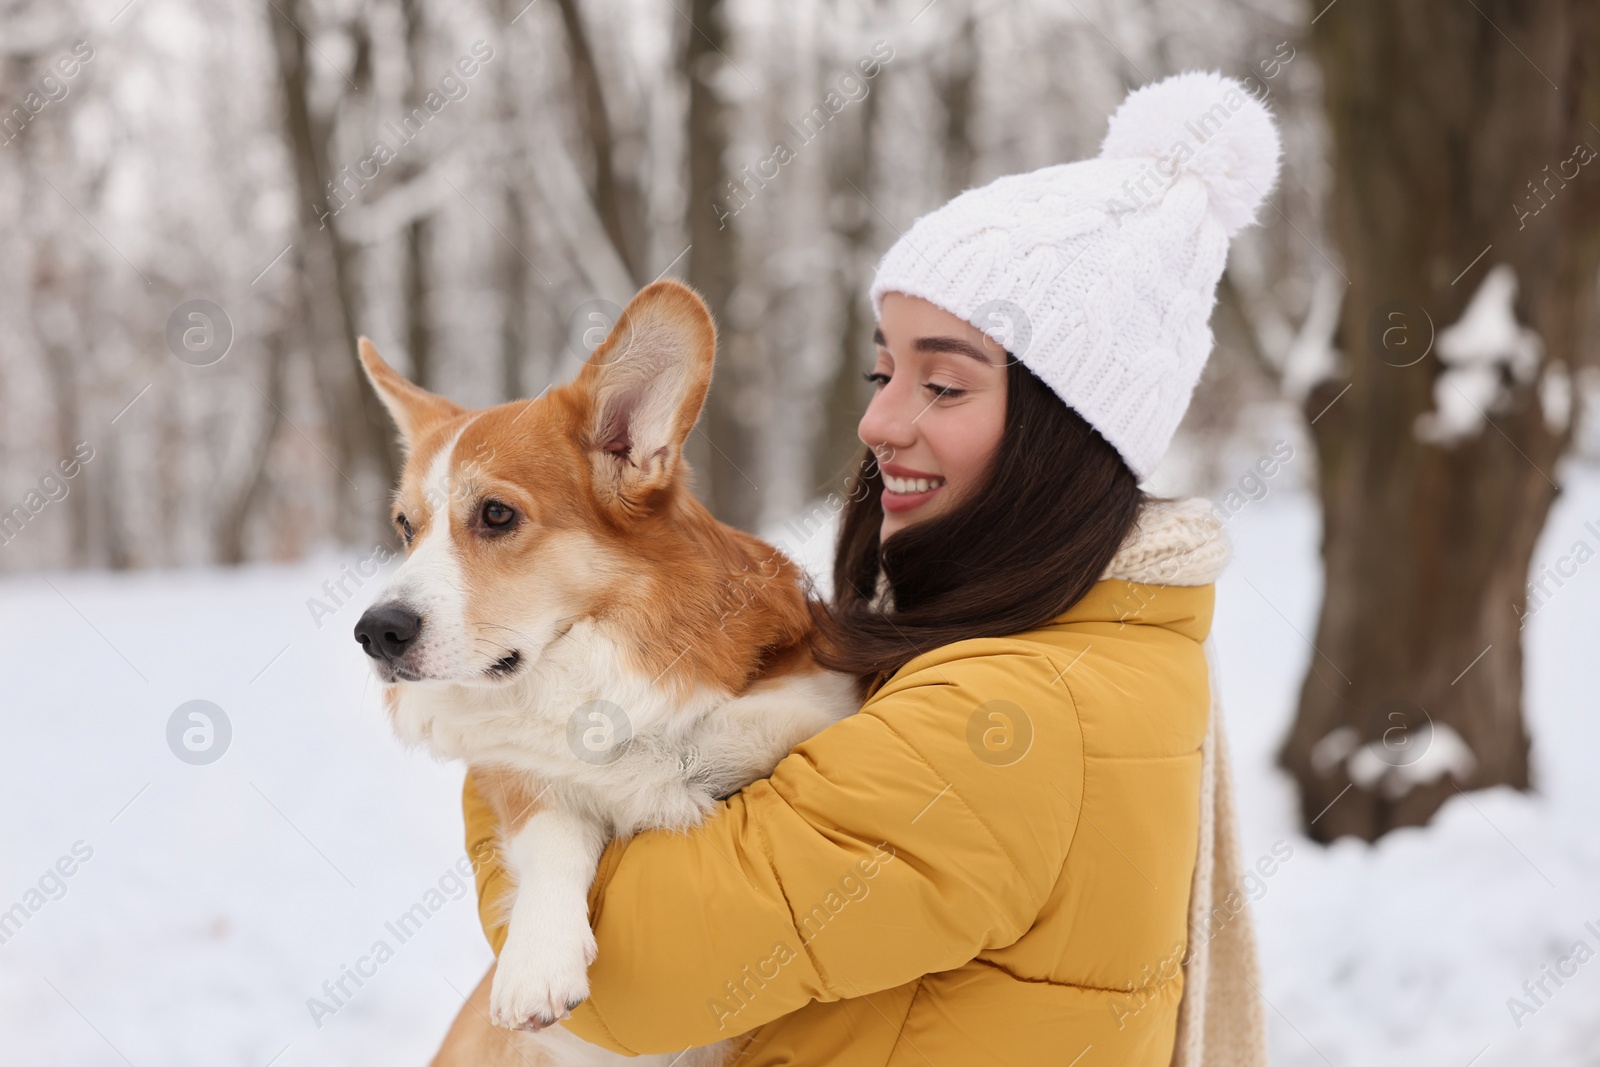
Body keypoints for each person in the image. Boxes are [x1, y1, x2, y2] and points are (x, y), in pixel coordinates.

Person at [459, 68, 1279, 1066]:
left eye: (942, 382)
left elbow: (623, 982)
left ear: (1068, 432)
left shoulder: (1011, 717)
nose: (880, 420)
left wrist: (509, 727)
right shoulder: (1084, 643)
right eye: (881, 370)